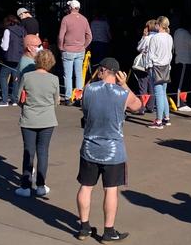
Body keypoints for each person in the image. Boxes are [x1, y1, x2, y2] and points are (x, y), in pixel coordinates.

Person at [76, 57, 142, 242]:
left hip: (90, 146)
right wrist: (125, 85)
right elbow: (138, 106)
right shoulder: (122, 93)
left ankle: (84, 227)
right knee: (110, 190)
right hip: (113, 149)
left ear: (103, 70)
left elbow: (85, 110)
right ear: (117, 73)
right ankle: (108, 231)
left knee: (86, 187)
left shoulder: (89, 89)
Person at [14, 49, 59, 197]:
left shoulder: (27, 77)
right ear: (51, 63)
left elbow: (18, 97)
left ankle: (25, 186)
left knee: (29, 152)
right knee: (43, 152)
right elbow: (56, 101)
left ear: (36, 61)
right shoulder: (54, 79)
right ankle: (41, 185)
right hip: (48, 119)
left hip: (29, 119)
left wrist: (26, 106)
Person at [58, 0, 92, 104]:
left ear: (70, 8)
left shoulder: (66, 19)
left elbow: (61, 36)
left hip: (68, 49)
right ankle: (78, 97)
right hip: (80, 50)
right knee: (79, 74)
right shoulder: (84, 19)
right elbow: (89, 36)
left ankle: (68, 97)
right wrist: (84, 46)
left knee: (68, 75)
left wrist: (61, 47)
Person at [147, 16, 173, 129]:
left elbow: (150, 54)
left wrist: (149, 65)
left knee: (159, 94)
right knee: (163, 93)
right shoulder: (169, 37)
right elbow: (170, 53)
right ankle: (166, 118)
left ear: (159, 25)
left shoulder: (155, 38)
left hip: (157, 67)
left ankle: (158, 121)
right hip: (166, 67)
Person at [0, 15, 26, 107]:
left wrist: (0, 44)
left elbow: (5, 47)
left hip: (9, 57)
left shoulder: (8, 30)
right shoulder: (22, 30)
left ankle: (4, 100)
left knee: (3, 77)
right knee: (16, 78)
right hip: (19, 56)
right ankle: (15, 99)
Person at [133, 19, 157, 113]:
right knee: (152, 86)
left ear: (148, 27)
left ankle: (142, 107)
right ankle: (151, 106)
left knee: (143, 86)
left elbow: (139, 48)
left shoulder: (147, 38)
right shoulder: (158, 37)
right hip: (155, 65)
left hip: (144, 65)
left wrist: (143, 36)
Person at [173, 26, 191, 111]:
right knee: (182, 84)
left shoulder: (177, 32)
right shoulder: (185, 33)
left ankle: (182, 102)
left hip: (181, 60)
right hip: (185, 61)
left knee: (183, 83)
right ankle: (181, 103)